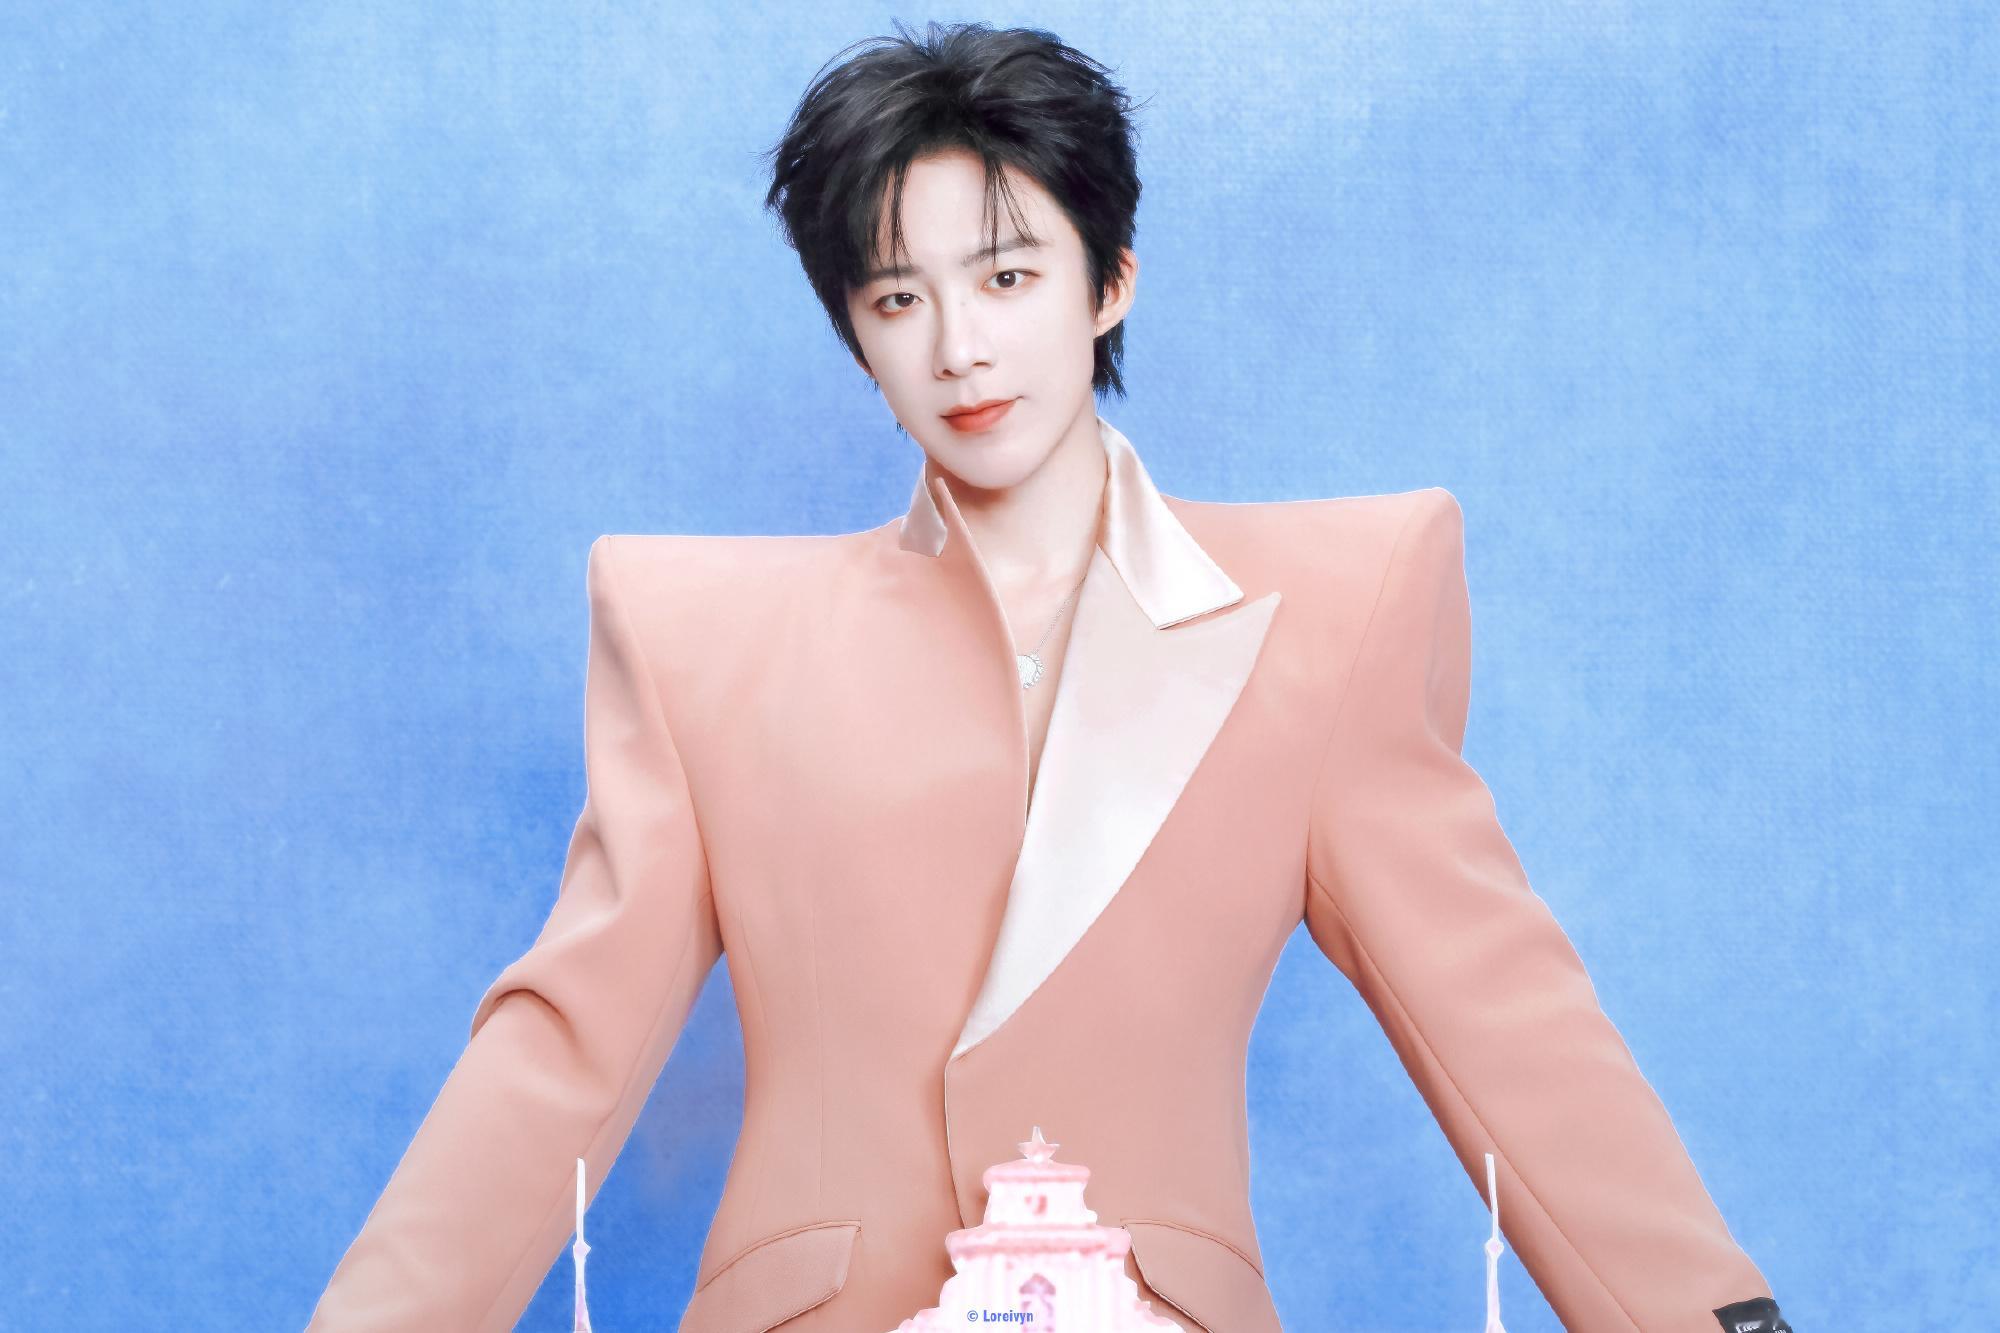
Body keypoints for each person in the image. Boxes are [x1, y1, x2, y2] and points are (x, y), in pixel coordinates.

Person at [309, 21, 1794, 1332]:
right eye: (898, 300)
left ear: (1109, 283)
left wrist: (1721, 1322)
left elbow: (1507, 1030)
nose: (962, 348)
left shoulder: (1334, 610)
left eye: (1009, 276)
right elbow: (561, 1056)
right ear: (857, 337)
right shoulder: (701, 638)